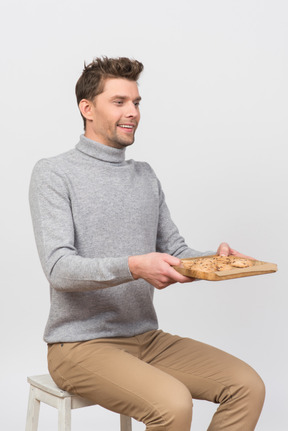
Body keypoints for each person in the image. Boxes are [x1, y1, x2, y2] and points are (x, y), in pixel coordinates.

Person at [29, 56, 265, 431]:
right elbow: (59, 269)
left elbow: (175, 250)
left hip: (146, 338)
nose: (133, 112)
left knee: (247, 386)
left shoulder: (144, 176)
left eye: (136, 102)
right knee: (173, 404)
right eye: (119, 102)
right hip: (78, 347)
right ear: (86, 109)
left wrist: (213, 260)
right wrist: (134, 266)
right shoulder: (54, 173)